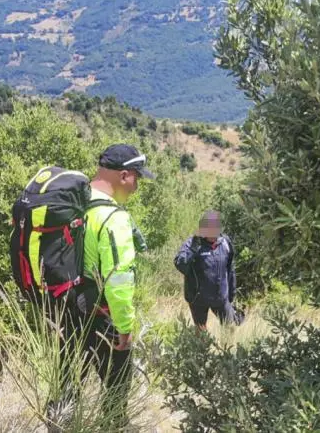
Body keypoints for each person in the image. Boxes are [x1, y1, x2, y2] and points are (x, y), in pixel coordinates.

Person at [52, 143, 154, 430]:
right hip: (101, 315)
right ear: (124, 176)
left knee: (66, 388)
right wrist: (124, 329)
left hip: (65, 310)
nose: (136, 186)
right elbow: (119, 281)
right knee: (116, 393)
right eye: (137, 177)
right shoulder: (114, 218)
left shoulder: (72, 203)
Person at [174, 210, 239, 331]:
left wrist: (231, 295)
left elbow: (230, 270)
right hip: (198, 299)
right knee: (201, 336)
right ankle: (201, 349)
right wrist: (194, 247)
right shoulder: (193, 243)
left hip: (221, 298)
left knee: (231, 329)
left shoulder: (225, 243)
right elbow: (180, 265)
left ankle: (227, 349)